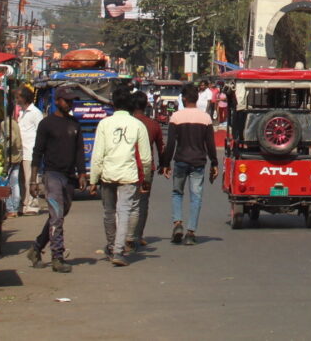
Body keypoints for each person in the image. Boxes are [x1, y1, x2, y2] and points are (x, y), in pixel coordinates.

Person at [90, 85, 152, 267]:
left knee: (108, 212)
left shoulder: (104, 124)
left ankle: (111, 245)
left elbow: (97, 155)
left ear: (113, 104)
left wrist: (93, 179)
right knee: (124, 212)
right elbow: (146, 158)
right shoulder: (138, 125)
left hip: (108, 174)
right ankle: (118, 250)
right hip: (129, 175)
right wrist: (146, 179)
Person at [28, 87, 88, 273]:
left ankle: (36, 247)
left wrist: (82, 174)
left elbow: (79, 152)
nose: (70, 104)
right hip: (52, 175)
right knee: (57, 218)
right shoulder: (46, 124)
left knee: (58, 216)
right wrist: (33, 180)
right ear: (58, 101)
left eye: (72, 101)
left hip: (69, 177)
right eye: (67, 100)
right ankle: (57, 257)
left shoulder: (74, 124)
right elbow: (37, 152)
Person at [162, 83, 218, 246]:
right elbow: (210, 144)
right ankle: (191, 232)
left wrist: (166, 163)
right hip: (198, 162)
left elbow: (171, 143)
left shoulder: (176, 117)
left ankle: (177, 223)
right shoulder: (205, 118)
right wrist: (214, 163)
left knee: (177, 193)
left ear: (184, 99)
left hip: (180, 161)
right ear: (197, 98)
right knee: (196, 197)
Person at [127, 91, 162, 252]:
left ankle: (126, 235)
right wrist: (164, 164)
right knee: (142, 203)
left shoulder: (127, 123)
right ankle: (137, 235)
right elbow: (160, 147)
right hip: (146, 169)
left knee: (126, 203)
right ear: (145, 106)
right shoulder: (153, 124)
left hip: (127, 167)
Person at [11, 87, 42, 215]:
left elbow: (40, 133)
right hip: (21, 151)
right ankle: (24, 204)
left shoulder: (35, 112)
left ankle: (33, 206)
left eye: (18, 97)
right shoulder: (22, 112)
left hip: (31, 151)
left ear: (25, 98)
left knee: (31, 179)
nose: (17, 100)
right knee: (22, 180)